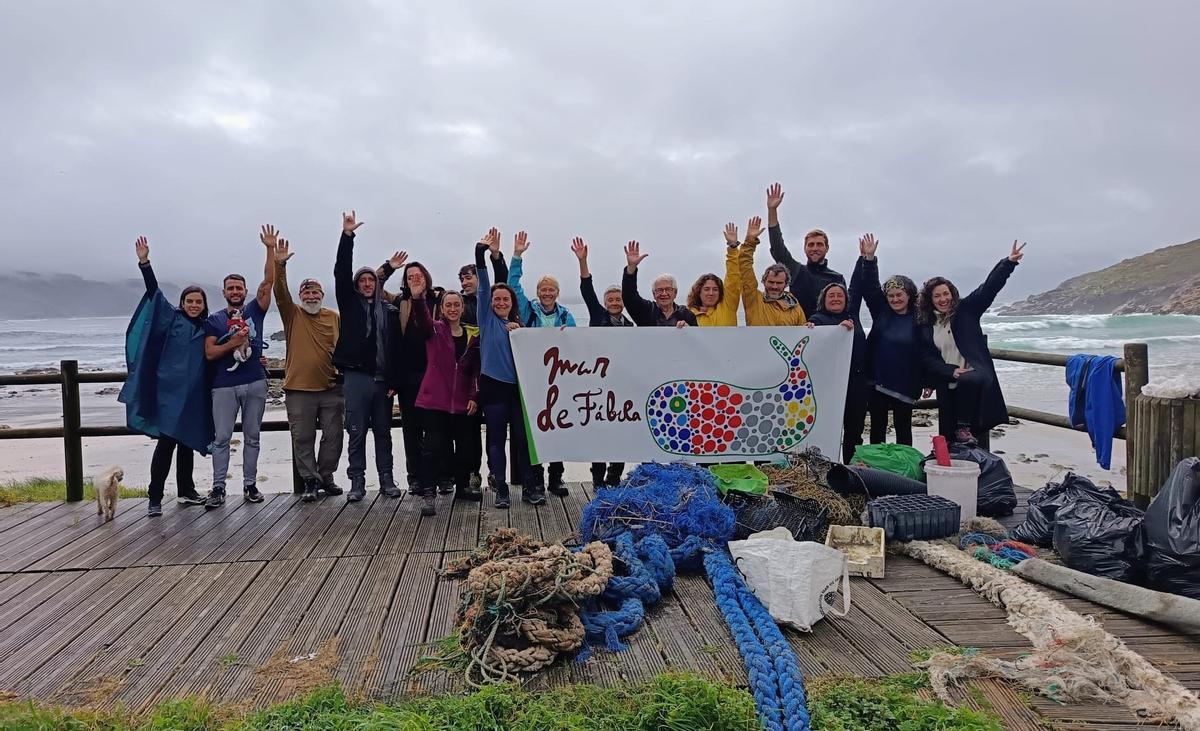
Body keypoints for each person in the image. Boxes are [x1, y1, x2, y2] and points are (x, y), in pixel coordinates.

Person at [120, 236, 212, 516]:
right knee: (166, 444)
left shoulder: (208, 328)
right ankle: (155, 497)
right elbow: (155, 293)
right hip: (169, 394)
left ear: (204, 304)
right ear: (182, 303)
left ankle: (186, 491)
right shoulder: (172, 319)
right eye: (189, 301)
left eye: (198, 301)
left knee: (187, 442)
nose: (194, 305)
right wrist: (145, 263)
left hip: (193, 394)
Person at [920, 241, 1027, 443]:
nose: (943, 299)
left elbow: (988, 288)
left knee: (973, 436)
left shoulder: (966, 310)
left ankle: (966, 431)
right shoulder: (927, 325)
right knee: (948, 438)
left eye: (946, 293)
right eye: (937, 296)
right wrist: (949, 372)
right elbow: (927, 358)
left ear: (952, 294)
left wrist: (1008, 263)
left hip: (974, 383)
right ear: (930, 299)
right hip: (947, 383)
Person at [202, 225, 276, 508]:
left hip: (255, 381)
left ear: (245, 291)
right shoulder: (215, 320)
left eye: (239, 288)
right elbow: (210, 353)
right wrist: (232, 343)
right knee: (222, 438)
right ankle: (218, 487)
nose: (235, 291)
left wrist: (269, 249)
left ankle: (250, 485)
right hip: (224, 385)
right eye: (230, 288)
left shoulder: (255, 310)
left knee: (252, 437)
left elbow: (268, 283)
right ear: (224, 292)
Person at [332, 211, 403, 502]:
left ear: (377, 284)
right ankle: (357, 482)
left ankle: (387, 479)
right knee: (357, 431)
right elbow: (341, 271)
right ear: (356, 285)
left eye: (370, 280)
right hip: (356, 378)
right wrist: (347, 236)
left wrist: (394, 379)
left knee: (384, 432)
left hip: (383, 380)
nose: (366, 284)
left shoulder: (388, 311)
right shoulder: (349, 305)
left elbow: (395, 349)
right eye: (361, 280)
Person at [272, 237, 344, 502]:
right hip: (299, 389)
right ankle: (310, 481)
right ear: (300, 296)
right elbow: (280, 293)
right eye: (306, 293)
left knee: (334, 436)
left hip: (331, 387)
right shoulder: (292, 314)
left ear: (322, 296)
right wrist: (280, 266)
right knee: (303, 438)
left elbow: (343, 347)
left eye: (315, 293)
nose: (311, 297)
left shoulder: (333, 316)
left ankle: (326, 475)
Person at [509, 231, 576, 497]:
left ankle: (556, 478)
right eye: (543, 290)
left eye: (551, 290)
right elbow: (513, 287)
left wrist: (569, 337)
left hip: (559, 381)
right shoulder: (528, 311)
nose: (547, 293)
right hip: (534, 380)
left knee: (558, 427)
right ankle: (536, 478)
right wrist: (517, 257)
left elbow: (577, 345)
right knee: (535, 430)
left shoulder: (567, 316)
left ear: (558, 293)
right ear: (538, 292)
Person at [475, 227, 535, 507]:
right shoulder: (486, 321)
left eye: (505, 299)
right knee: (496, 440)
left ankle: (529, 487)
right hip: (493, 388)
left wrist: (520, 333)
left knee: (523, 440)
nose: (500, 302)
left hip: (518, 391)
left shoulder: (519, 327)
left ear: (512, 304)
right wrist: (481, 254)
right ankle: (501, 489)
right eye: (497, 299)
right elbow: (484, 286)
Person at [410, 290, 482, 514]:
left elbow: (475, 370)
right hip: (435, 402)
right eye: (448, 305)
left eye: (456, 305)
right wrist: (418, 298)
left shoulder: (472, 334)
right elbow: (422, 318)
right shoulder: (434, 329)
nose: (452, 309)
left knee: (465, 449)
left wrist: (474, 396)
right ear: (442, 309)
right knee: (432, 449)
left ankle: (462, 487)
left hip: (462, 402)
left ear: (462, 308)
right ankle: (428, 493)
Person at [377, 254, 441, 494]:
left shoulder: (438, 299)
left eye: (418, 275)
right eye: (410, 276)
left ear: (426, 278)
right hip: (408, 376)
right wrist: (388, 268)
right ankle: (414, 477)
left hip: (434, 373)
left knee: (436, 428)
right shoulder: (399, 301)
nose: (415, 279)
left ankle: (439, 476)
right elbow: (374, 287)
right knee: (411, 429)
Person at [571, 236, 632, 487]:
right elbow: (587, 291)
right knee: (598, 431)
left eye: (618, 300)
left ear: (623, 303)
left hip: (623, 386)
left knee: (621, 432)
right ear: (605, 303)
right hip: (597, 384)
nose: (615, 303)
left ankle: (614, 475)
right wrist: (583, 261)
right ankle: (597, 477)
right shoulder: (598, 316)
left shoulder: (632, 327)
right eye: (611, 300)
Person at [807, 233, 870, 463]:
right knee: (827, 432)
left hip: (856, 384)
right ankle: (826, 471)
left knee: (854, 431)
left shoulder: (853, 316)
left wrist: (864, 259)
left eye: (839, 295)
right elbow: (811, 344)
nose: (835, 298)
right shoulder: (817, 320)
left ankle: (852, 472)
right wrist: (809, 330)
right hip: (828, 386)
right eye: (831, 295)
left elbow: (856, 285)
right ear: (824, 300)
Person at [455, 251, 509, 492]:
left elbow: (502, 283)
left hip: (490, 373)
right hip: (469, 374)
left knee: (495, 431)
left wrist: (497, 256)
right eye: (461, 279)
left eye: (468, 277)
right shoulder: (459, 304)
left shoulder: (490, 304)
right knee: (469, 429)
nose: (464, 282)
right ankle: (472, 472)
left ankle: (495, 473)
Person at [861, 240, 922, 447]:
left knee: (904, 429)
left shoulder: (920, 318)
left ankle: (905, 465)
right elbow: (870, 288)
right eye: (891, 296)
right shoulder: (881, 312)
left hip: (906, 382)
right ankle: (877, 465)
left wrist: (928, 380)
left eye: (899, 295)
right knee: (877, 427)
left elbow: (927, 351)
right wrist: (870, 260)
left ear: (909, 295)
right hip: (878, 382)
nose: (895, 299)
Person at [765, 182, 845, 316]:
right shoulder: (796, 271)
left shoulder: (837, 278)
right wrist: (772, 210)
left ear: (827, 248)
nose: (815, 248)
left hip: (827, 328)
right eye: (811, 245)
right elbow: (778, 248)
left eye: (819, 244)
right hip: (799, 327)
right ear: (805, 248)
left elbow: (845, 309)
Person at [740, 215, 807, 326]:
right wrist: (749, 242)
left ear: (786, 284)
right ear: (764, 281)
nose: (774, 286)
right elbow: (744, 268)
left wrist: (808, 327)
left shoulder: (795, 307)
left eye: (779, 283)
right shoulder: (753, 299)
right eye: (771, 282)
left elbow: (803, 333)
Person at [621, 241, 698, 328]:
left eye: (668, 289)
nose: (664, 293)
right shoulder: (646, 310)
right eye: (659, 290)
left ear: (675, 293)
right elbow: (629, 296)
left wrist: (689, 330)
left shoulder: (687, 314)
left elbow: (696, 336)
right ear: (653, 294)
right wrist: (631, 267)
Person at [686, 222, 742, 326]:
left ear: (720, 292)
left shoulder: (728, 306)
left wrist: (733, 248)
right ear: (698, 292)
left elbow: (733, 278)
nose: (711, 293)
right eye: (706, 289)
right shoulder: (688, 315)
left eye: (715, 289)